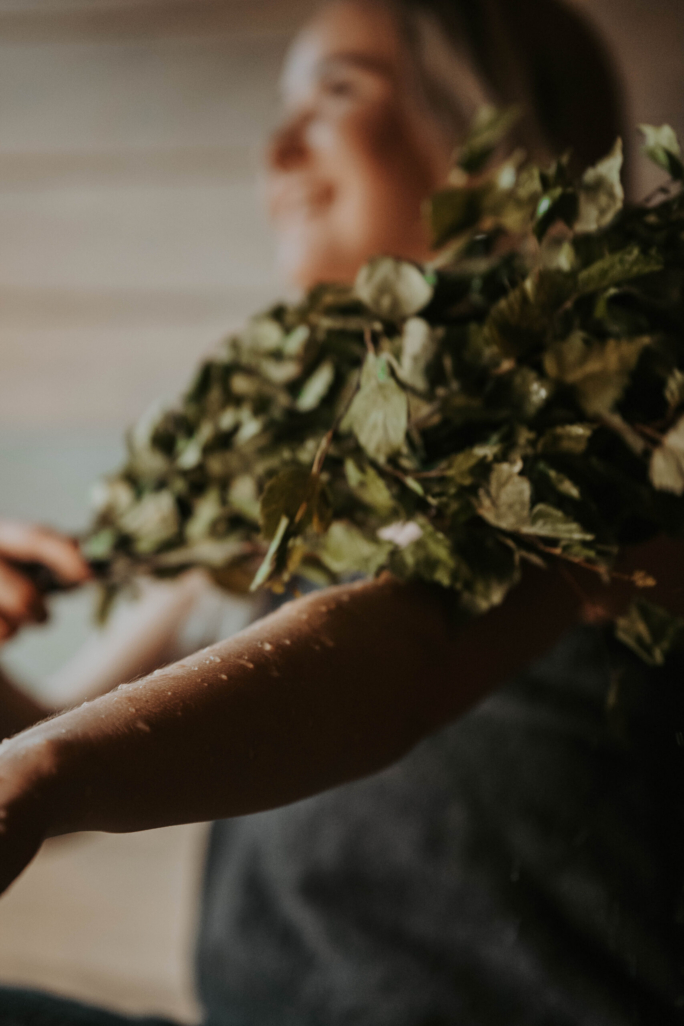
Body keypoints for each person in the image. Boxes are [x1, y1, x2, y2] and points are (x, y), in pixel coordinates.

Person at [0, 1, 682, 1023]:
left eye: (336, 92)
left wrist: (46, 769)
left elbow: (411, 646)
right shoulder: (292, 470)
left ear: (488, 137)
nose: (277, 151)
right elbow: (53, 734)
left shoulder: (621, 411)